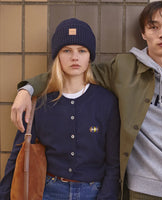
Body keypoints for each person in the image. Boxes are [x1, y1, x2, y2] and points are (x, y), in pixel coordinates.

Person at [9, 1, 162, 200]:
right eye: (153, 27)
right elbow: (74, 70)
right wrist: (27, 89)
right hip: (136, 189)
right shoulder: (124, 68)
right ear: (143, 34)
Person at [0, 18, 120, 200]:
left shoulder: (106, 101)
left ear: (90, 57)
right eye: (66, 50)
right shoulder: (39, 104)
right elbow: (18, 155)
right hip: (49, 191)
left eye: (82, 50)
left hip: (94, 192)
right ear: (57, 56)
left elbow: (114, 162)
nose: (74, 57)